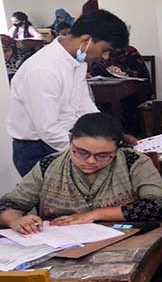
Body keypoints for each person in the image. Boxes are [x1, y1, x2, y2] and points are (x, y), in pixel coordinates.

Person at [0, 112, 162, 282]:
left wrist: (95, 214)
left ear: (116, 149)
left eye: (103, 156)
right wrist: (16, 220)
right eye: (81, 152)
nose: (90, 161)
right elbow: (8, 203)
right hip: (63, 254)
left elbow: (159, 204)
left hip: (123, 249)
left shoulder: (133, 162)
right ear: (70, 141)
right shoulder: (49, 166)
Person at [7, 10, 129, 176]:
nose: (106, 57)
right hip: (39, 149)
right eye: (105, 50)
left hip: (71, 140)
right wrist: (93, 150)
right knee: (60, 201)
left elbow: (83, 105)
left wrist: (109, 135)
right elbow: (48, 130)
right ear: (85, 40)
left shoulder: (79, 59)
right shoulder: (44, 69)